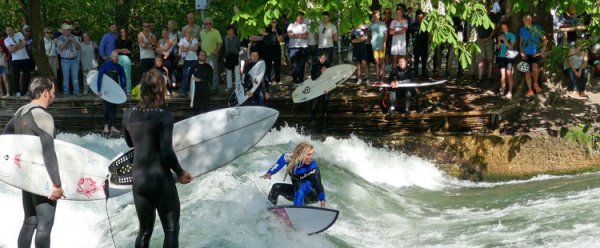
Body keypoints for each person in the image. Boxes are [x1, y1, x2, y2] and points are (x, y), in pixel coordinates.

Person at [122, 69, 192, 248]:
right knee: (170, 230)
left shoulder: (128, 114)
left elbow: (130, 143)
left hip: (139, 181)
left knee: (144, 231)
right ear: (160, 89)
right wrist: (181, 172)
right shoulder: (164, 115)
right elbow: (166, 152)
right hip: (160, 179)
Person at [2, 77, 64, 248]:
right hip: (42, 177)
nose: (53, 96)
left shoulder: (20, 112)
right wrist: (57, 184)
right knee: (44, 225)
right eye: (52, 93)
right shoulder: (43, 116)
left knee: (30, 222)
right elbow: (49, 152)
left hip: (25, 176)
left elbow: (5, 139)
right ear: (45, 93)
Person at [260, 142, 326, 207]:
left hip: (312, 196)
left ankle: (297, 210)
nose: (311, 157)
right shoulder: (288, 157)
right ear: (300, 154)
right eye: (308, 155)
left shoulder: (313, 166)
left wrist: (322, 200)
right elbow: (278, 165)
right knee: (276, 187)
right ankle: (268, 211)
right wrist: (269, 173)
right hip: (297, 193)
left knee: (299, 183)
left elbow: (318, 185)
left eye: (312, 154)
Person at [97, 51, 126, 134]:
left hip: (115, 91)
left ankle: (112, 126)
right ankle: (106, 126)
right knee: (106, 108)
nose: (116, 58)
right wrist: (99, 90)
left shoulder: (119, 67)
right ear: (110, 57)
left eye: (117, 57)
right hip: (106, 90)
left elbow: (123, 78)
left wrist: (122, 89)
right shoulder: (105, 66)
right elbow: (99, 77)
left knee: (113, 109)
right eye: (114, 56)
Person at [519, 14, 546, 97]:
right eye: (523, 20)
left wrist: (541, 52)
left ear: (530, 20)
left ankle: (535, 83)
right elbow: (521, 42)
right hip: (526, 54)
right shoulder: (522, 29)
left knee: (535, 68)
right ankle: (530, 90)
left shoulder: (537, 28)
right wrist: (521, 52)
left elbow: (545, 40)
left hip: (535, 53)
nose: (524, 21)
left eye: (525, 19)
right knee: (526, 71)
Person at [5, 25, 31, 97]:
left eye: (10, 30)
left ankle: (25, 91)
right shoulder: (6, 40)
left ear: (13, 30)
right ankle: (17, 92)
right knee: (16, 76)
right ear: (6, 31)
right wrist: (18, 43)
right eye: (8, 30)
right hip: (15, 60)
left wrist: (15, 48)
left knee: (27, 75)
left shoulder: (19, 34)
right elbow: (10, 50)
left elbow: (24, 43)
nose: (9, 32)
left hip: (25, 58)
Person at [56, 24, 81, 96]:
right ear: (63, 31)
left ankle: (76, 92)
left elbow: (79, 48)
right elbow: (60, 49)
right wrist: (67, 41)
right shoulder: (60, 38)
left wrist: (74, 41)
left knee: (75, 77)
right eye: (67, 30)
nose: (68, 31)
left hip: (74, 60)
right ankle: (66, 92)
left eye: (69, 30)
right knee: (66, 77)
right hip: (65, 60)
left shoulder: (75, 37)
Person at [200, 17, 222, 94]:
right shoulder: (201, 32)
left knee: (214, 72)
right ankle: (206, 87)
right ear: (204, 24)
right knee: (204, 72)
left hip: (212, 55)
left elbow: (220, 42)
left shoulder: (216, 32)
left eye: (209, 23)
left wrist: (216, 51)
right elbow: (201, 42)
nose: (208, 25)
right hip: (203, 56)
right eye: (206, 23)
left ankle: (215, 88)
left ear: (212, 24)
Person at [310, 52, 331, 128]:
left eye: (324, 58)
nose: (323, 60)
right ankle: (313, 120)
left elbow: (331, 78)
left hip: (325, 88)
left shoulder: (328, 65)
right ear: (319, 58)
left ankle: (324, 121)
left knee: (325, 104)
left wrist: (328, 88)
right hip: (317, 87)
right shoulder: (315, 65)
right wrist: (320, 72)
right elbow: (313, 78)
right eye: (322, 58)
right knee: (314, 105)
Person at [496, 22, 516, 99]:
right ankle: (502, 91)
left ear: (508, 27)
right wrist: (498, 41)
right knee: (503, 75)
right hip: (501, 56)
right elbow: (498, 47)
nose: (504, 29)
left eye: (505, 27)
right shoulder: (501, 35)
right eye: (502, 28)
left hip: (509, 56)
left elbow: (511, 47)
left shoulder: (512, 35)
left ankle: (510, 92)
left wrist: (504, 40)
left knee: (509, 74)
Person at [288, 12, 309, 84]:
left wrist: (295, 34)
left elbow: (306, 36)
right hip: (293, 48)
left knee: (302, 65)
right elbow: (290, 35)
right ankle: (294, 80)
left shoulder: (305, 26)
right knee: (294, 65)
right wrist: (300, 35)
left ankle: (300, 80)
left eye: (302, 17)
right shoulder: (291, 25)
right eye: (299, 17)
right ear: (296, 17)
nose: (301, 18)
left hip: (303, 47)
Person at [261, 18, 283, 86]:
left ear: (277, 23)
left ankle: (277, 80)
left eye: (275, 22)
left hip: (276, 49)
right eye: (272, 22)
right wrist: (270, 32)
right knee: (268, 65)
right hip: (268, 49)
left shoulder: (279, 30)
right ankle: (268, 80)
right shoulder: (267, 29)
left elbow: (280, 40)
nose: (274, 23)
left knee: (277, 65)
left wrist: (275, 31)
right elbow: (262, 33)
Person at [190, 50, 212, 114]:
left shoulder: (208, 67)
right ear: (198, 56)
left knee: (206, 110)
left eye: (204, 55)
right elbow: (189, 78)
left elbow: (210, 80)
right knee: (195, 110)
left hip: (205, 90)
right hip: (195, 91)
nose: (202, 56)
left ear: (206, 57)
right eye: (201, 55)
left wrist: (200, 80)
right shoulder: (193, 66)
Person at [178, 29, 199, 95]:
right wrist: (191, 48)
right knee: (185, 74)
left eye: (190, 32)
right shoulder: (182, 40)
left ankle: (194, 90)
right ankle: (183, 89)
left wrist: (187, 48)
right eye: (187, 32)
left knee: (194, 74)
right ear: (185, 33)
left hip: (194, 59)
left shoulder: (195, 39)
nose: (189, 33)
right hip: (186, 59)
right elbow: (182, 49)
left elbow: (196, 48)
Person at [370, 10, 388, 82]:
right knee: (376, 61)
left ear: (379, 16)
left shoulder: (382, 23)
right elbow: (367, 31)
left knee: (382, 61)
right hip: (374, 45)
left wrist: (384, 42)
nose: (375, 16)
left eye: (377, 15)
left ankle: (383, 76)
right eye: (374, 15)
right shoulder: (371, 25)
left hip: (381, 45)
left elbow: (386, 34)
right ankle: (377, 76)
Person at [411, 9, 429, 79]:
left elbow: (429, 35)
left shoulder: (427, 25)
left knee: (424, 61)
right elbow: (410, 33)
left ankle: (424, 74)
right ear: (416, 16)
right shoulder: (413, 26)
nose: (420, 18)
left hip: (424, 46)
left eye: (421, 17)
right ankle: (415, 74)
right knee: (416, 61)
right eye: (418, 17)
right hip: (416, 46)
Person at [116, 28, 133, 94]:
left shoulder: (129, 41)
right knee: (120, 75)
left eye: (124, 32)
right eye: (121, 32)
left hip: (127, 59)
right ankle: (121, 90)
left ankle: (128, 90)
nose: (123, 33)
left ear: (126, 33)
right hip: (119, 58)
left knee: (128, 75)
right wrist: (124, 49)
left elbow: (129, 51)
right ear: (119, 33)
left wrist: (120, 50)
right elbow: (116, 51)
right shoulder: (117, 41)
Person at [224, 25, 241, 92]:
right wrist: (224, 57)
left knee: (237, 72)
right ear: (227, 31)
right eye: (229, 30)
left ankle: (238, 87)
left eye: (232, 30)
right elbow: (224, 49)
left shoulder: (237, 38)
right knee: (228, 73)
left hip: (235, 56)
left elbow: (238, 48)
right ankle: (229, 87)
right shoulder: (225, 38)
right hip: (227, 57)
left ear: (234, 31)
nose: (230, 31)